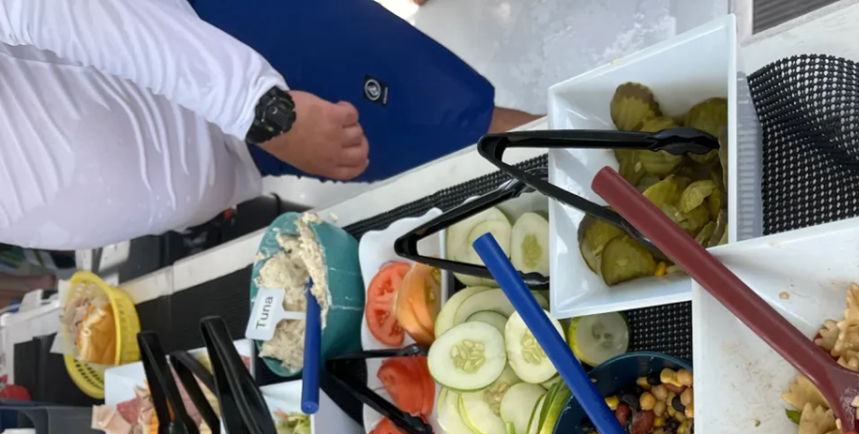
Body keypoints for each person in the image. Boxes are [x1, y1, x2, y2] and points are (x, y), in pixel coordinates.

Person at [0, 0, 538, 252]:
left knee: (464, 134)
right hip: (241, 141)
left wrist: (261, 110)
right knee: (449, 156)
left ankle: (595, 167)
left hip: (225, 46)